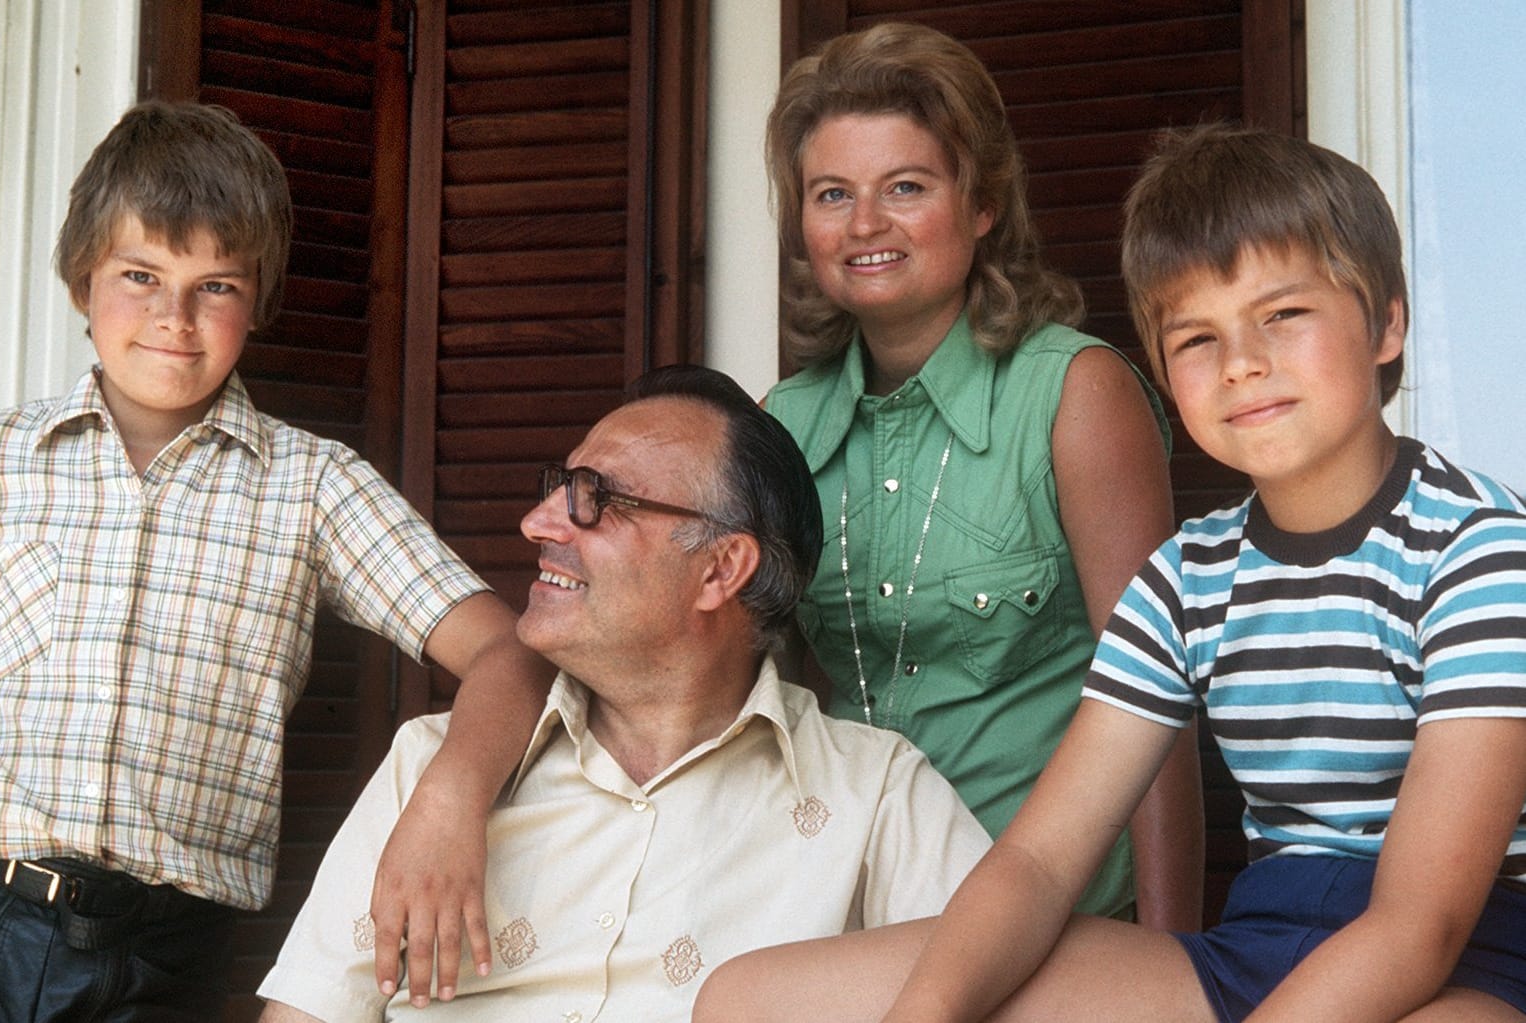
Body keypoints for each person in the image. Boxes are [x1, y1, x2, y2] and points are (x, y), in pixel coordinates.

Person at [693, 123, 1526, 1022]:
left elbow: (1419, 924)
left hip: (1474, 957)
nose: (1243, 362)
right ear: (1164, 373)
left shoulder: (1477, 552)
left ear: (1387, 322)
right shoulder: (1186, 578)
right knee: (752, 999)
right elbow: (1041, 861)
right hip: (1259, 950)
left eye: (1283, 314)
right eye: (1197, 337)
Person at [0, 101, 552, 1019]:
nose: (174, 317)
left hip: (164, 961)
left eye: (216, 285)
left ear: (259, 301)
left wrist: (449, 800)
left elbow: (513, 652)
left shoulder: (312, 485)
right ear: (79, 277)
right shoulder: (0, 458)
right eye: (141, 274)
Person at [255, 365, 991, 1022]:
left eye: (595, 497)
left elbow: (1018, 980)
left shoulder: (877, 794)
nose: (538, 522)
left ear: (719, 568)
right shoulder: (432, 769)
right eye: (558, 487)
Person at [759, 20, 1200, 926]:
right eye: (831, 193)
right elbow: (780, 703)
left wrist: (1171, 961)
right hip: (850, 913)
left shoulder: (1077, 393)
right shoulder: (780, 428)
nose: (865, 224)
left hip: (1060, 925)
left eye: (906, 187)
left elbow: (1159, 710)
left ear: (983, 201)